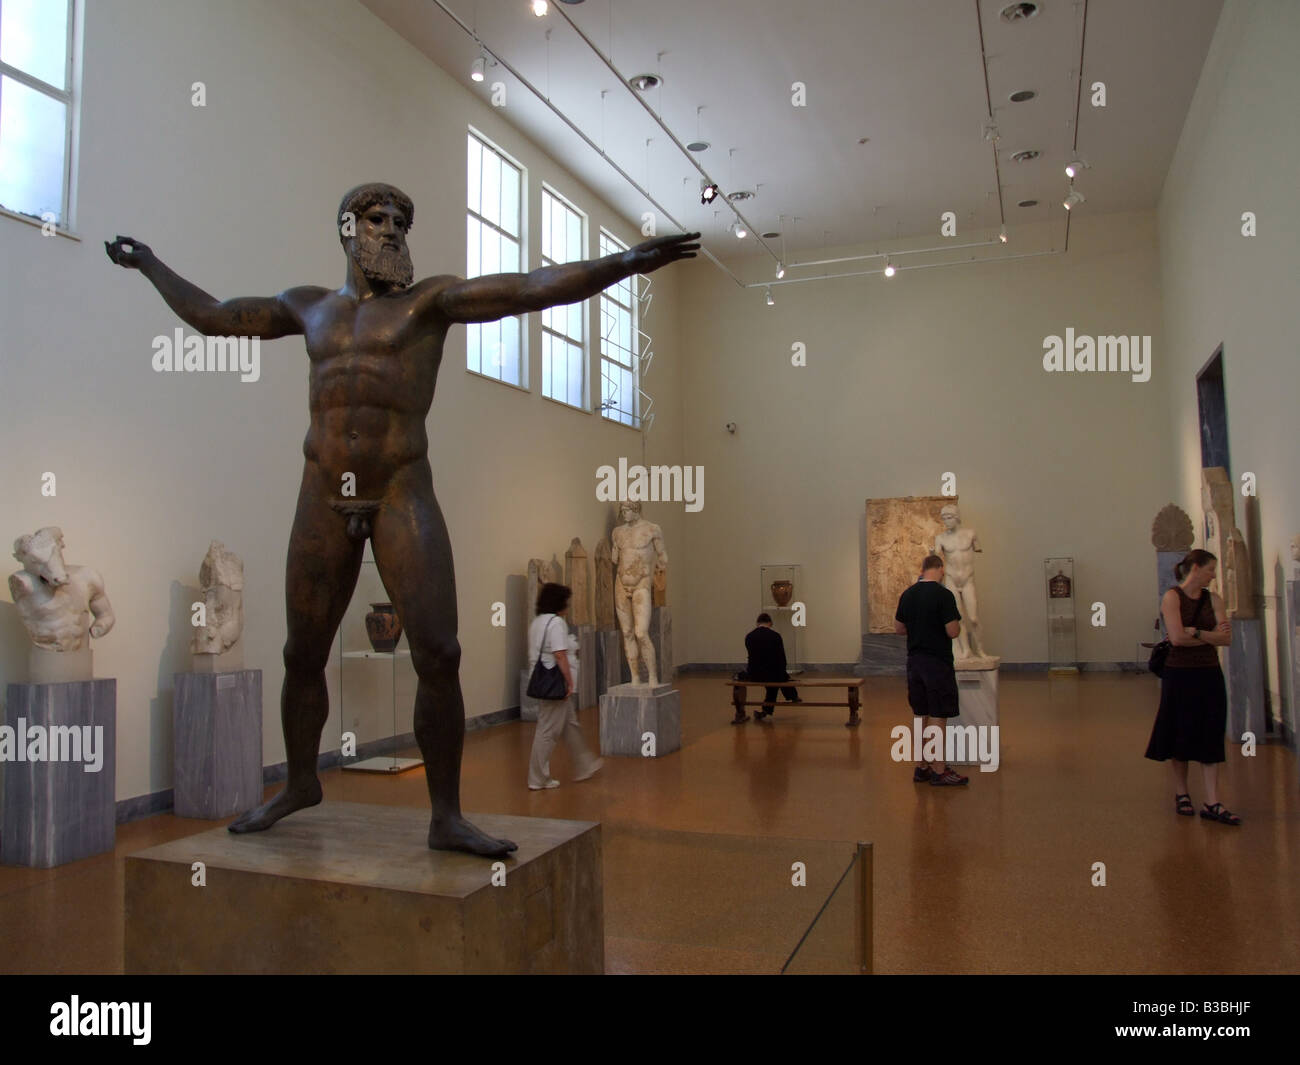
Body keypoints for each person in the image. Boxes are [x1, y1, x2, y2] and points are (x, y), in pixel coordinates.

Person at [106, 184, 696, 856]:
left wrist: (625, 263)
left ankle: (446, 813)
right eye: (377, 219)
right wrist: (150, 262)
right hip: (322, 489)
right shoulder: (308, 306)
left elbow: (531, 287)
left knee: (438, 653)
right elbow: (215, 316)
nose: (391, 230)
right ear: (346, 228)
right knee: (303, 652)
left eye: (401, 222)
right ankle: (301, 781)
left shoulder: (429, 301)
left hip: (398, 488)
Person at [1144, 549, 1239, 824]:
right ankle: (1182, 793)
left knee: (1210, 733)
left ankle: (1212, 800)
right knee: (1180, 732)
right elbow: (1176, 639)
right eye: (1210, 570)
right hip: (1180, 674)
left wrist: (1197, 632)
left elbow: (1226, 639)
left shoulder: (1214, 599)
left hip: (1209, 673)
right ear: (1195, 568)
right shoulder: (1172, 597)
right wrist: (1210, 637)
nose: (1213, 575)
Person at [894, 555, 967, 786]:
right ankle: (939, 769)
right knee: (938, 716)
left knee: (920, 715)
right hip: (937, 663)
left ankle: (921, 766)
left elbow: (898, 628)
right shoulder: (943, 595)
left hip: (914, 662)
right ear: (941, 569)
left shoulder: (908, 594)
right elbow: (953, 631)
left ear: (922, 569)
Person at [527, 583, 602, 790]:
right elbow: (560, 654)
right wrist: (569, 682)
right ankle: (537, 778)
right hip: (555, 683)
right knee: (547, 731)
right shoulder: (556, 623)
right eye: (566, 603)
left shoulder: (537, 623)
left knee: (570, 725)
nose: (567, 607)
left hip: (543, 680)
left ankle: (585, 764)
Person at [740, 613, 801, 722]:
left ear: (757, 623)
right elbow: (782, 659)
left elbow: (752, 657)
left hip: (755, 674)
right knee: (779, 677)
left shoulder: (749, 636)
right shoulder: (775, 636)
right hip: (773, 674)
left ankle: (768, 709)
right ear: (770, 623)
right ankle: (792, 696)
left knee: (776, 679)